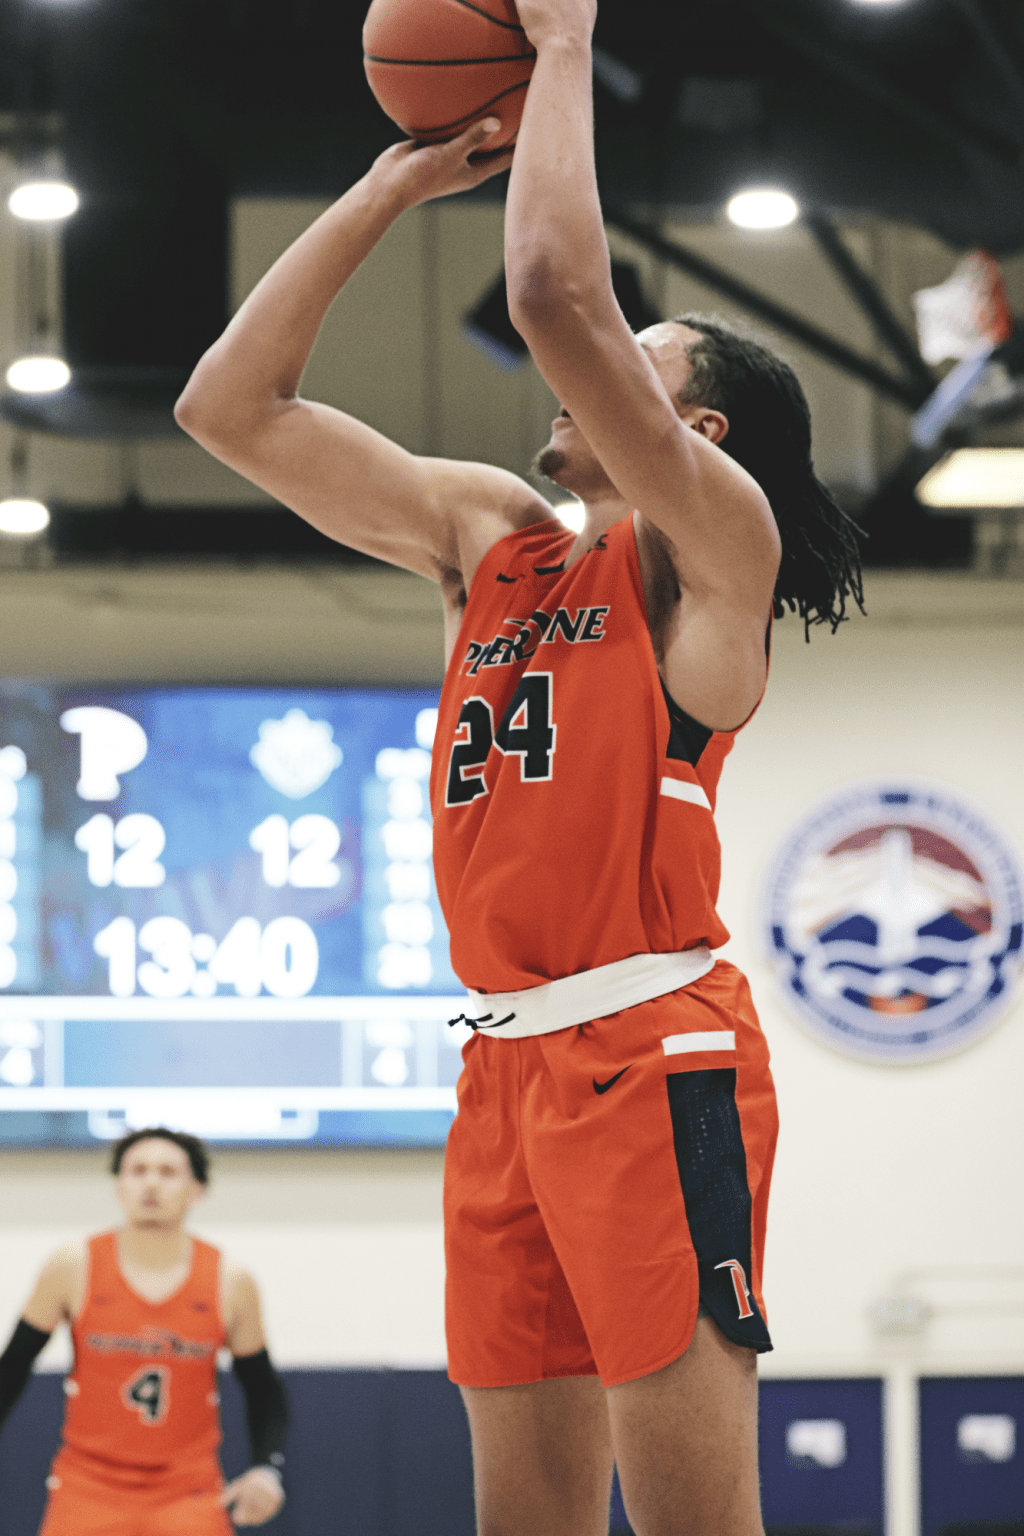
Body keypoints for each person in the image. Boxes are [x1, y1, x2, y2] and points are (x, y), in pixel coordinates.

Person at [173, 0, 862, 1529]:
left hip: (652, 1051)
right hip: (501, 1068)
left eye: (634, 361)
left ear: (697, 426)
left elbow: (555, 288)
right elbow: (230, 409)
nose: (567, 381)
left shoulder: (711, 551)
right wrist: (387, 186)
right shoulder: (490, 536)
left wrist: (559, 50)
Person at [0, 1127, 287, 1533]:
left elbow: (263, 1389)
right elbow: (11, 1369)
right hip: (88, 1485)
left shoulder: (230, 1281)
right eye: (137, 1170)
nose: (151, 1183)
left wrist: (265, 1467)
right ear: (119, 1187)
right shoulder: (72, 1266)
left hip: (188, 1489)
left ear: (196, 1190)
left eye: (168, 1172)